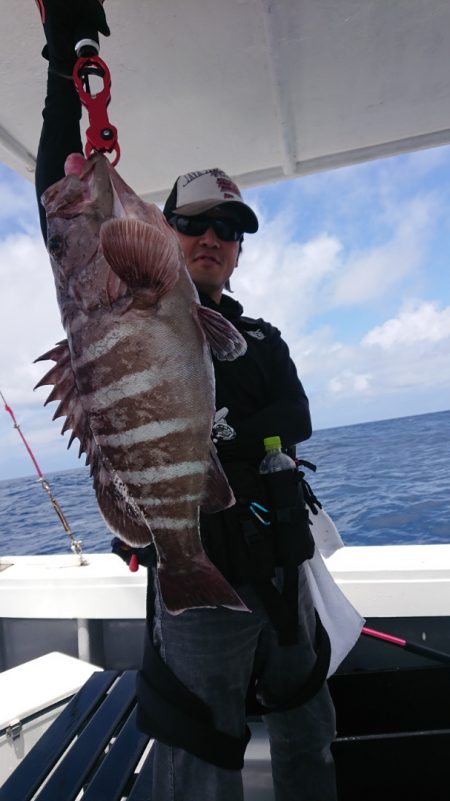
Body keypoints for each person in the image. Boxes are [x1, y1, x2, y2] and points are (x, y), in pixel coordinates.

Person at [34, 3, 338, 800]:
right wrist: (64, 60)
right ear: (162, 233)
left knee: (309, 728)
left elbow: (295, 420)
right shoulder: (125, 297)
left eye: (229, 230)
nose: (212, 238)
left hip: (281, 575)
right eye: (196, 224)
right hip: (195, 584)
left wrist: (238, 440)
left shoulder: (260, 339)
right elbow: (58, 193)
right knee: (200, 751)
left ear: (239, 250)